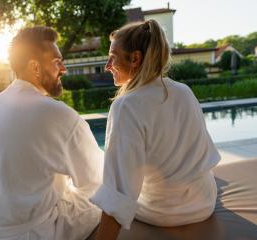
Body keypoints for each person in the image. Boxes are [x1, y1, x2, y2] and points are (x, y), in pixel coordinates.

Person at [0, 26, 103, 240]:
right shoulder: (58, 114)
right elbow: (94, 180)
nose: (63, 69)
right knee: (102, 192)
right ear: (35, 68)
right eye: (57, 62)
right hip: (27, 234)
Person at [89, 20, 221, 240]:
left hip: (164, 212)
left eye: (112, 56)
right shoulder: (183, 91)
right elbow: (202, 153)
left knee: (94, 190)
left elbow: (119, 191)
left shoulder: (126, 106)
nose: (107, 65)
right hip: (203, 203)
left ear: (135, 58)